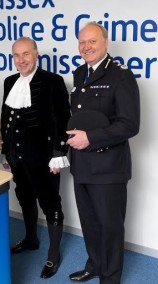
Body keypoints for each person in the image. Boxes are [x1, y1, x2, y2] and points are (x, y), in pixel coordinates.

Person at [66, 22, 140, 284]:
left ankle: (110, 278)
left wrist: (91, 138)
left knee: (110, 228)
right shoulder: (78, 73)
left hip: (109, 167)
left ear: (105, 42)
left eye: (92, 41)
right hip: (82, 164)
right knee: (89, 223)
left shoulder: (121, 76)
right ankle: (95, 265)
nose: (86, 47)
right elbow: (78, 120)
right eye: (82, 42)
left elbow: (130, 124)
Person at [1, 37, 71, 279]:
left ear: (36, 54)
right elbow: (5, 119)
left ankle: (53, 254)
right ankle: (31, 239)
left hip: (45, 160)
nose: (21, 60)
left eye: (26, 54)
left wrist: (59, 154)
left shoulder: (53, 81)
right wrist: (6, 152)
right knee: (25, 197)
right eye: (16, 56)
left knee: (51, 203)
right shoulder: (9, 81)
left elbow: (63, 118)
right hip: (18, 158)